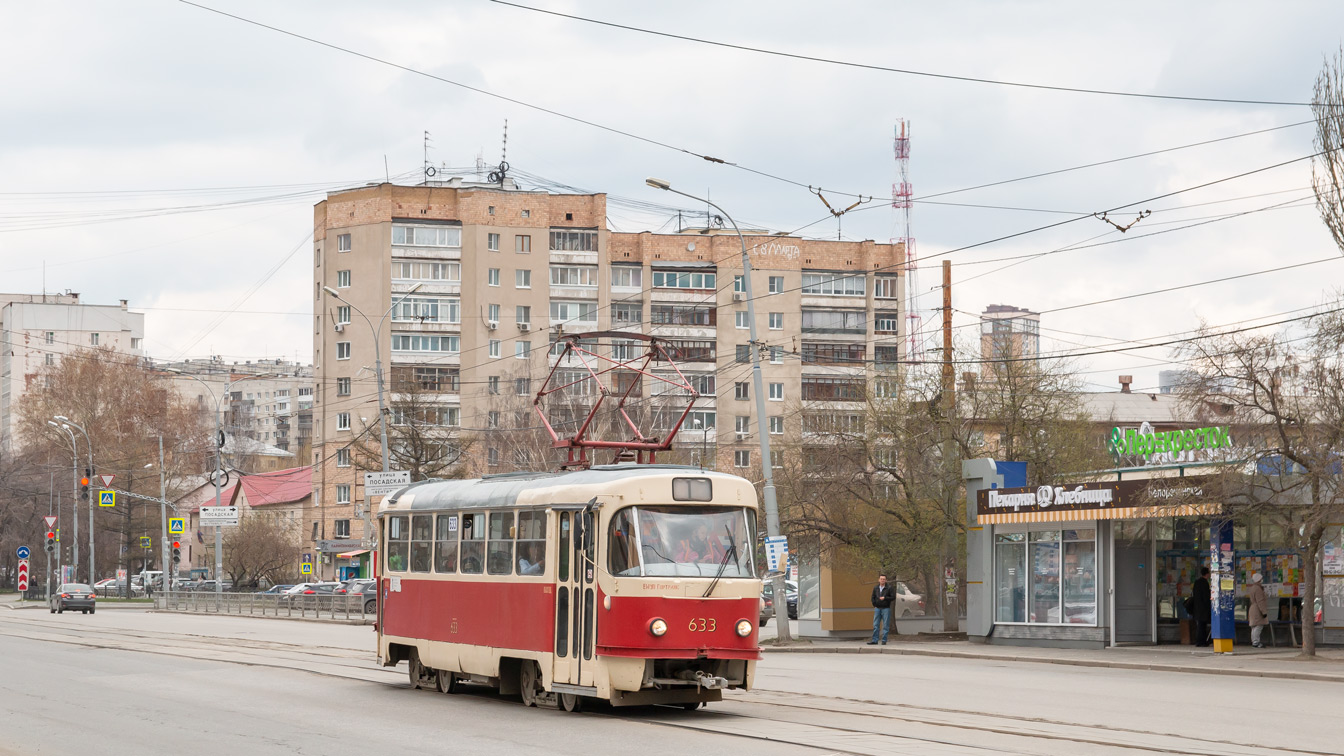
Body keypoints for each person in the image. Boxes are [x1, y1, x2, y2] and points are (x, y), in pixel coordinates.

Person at [867, 574, 895, 645]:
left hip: (886, 608)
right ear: (879, 580)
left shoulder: (889, 588)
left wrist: (885, 598)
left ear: (886, 580)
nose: (882, 580)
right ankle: (875, 640)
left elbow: (893, 597)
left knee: (885, 625)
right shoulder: (876, 588)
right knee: (876, 625)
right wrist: (874, 605)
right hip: (877, 608)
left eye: (884, 579)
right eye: (881, 579)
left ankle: (884, 640)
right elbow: (872, 597)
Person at [1247, 572, 1269, 648]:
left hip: (1253, 608)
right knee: (1259, 626)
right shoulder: (1258, 589)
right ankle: (1256, 641)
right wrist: (1264, 612)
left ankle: (1254, 641)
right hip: (1257, 609)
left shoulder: (1253, 588)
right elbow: (1260, 601)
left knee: (1254, 626)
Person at [1191, 567, 1212, 647]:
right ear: (1207, 574)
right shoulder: (1205, 583)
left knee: (1200, 624)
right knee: (1202, 625)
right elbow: (1206, 596)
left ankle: (1200, 641)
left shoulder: (1197, 582)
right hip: (1203, 608)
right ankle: (1201, 641)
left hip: (1197, 607)